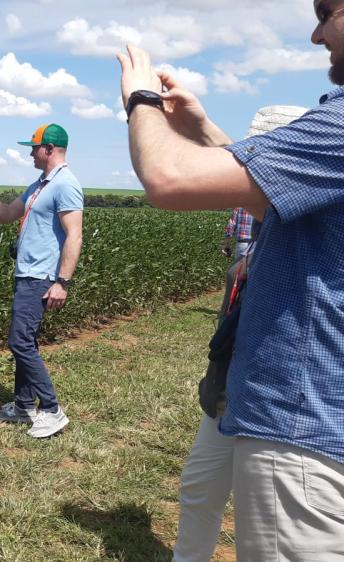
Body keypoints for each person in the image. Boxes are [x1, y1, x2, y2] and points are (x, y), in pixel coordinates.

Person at [118, 0, 344, 556]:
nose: (316, 35)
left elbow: (168, 179)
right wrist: (201, 129)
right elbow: (276, 195)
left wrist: (140, 100)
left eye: (328, 12)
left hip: (299, 423)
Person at [171, 105, 307, 562]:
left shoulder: (308, 236)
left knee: (269, 529)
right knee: (199, 486)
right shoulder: (262, 233)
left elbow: (166, 181)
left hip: (277, 400)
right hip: (232, 382)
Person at [0, 123, 84, 439]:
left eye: (34, 148)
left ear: (49, 149)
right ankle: (23, 406)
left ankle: (51, 409)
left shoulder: (65, 184)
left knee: (19, 342)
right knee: (26, 342)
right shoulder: (40, 185)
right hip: (27, 273)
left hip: (40, 277)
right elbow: (6, 214)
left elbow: (74, 235)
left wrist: (62, 282)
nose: (31, 154)